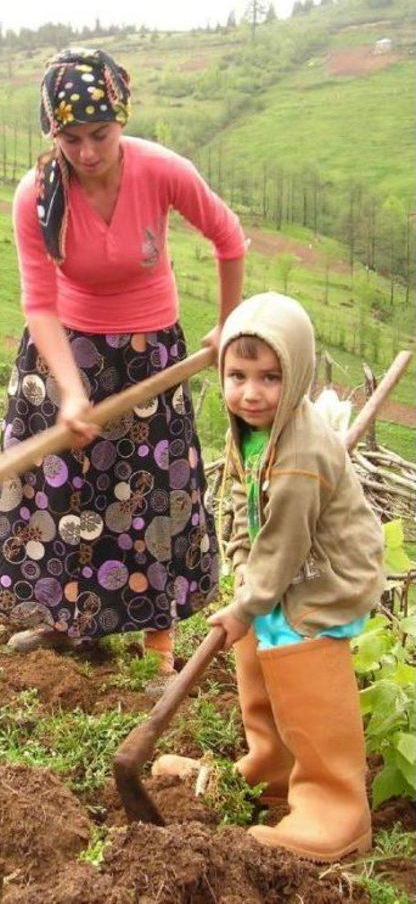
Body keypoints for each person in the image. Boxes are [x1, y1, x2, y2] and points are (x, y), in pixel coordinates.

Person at [0, 48, 246, 683]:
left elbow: (228, 236)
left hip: (148, 353)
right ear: (53, 134)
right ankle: (62, 622)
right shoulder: (37, 195)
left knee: (153, 492)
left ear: (121, 121)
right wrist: (70, 394)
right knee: (59, 488)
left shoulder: (161, 171)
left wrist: (226, 325)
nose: (88, 152)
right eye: (70, 138)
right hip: (63, 355)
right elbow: (39, 303)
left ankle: (160, 643)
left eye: (100, 134)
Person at [157, 292, 385, 861]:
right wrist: (241, 569)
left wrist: (249, 599)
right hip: (282, 571)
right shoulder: (252, 431)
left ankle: (336, 807)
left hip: (325, 577)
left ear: (300, 376)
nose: (250, 392)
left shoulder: (300, 454)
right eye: (237, 375)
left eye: (270, 377)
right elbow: (238, 499)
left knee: (299, 648)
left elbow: (285, 542)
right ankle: (271, 766)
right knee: (261, 642)